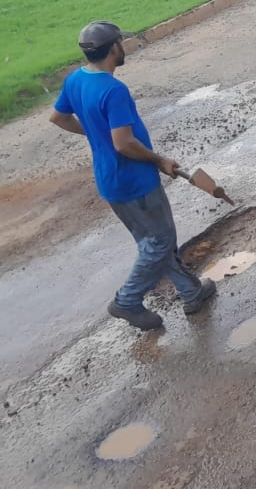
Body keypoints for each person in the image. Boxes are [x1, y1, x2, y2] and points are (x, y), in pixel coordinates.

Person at [49, 21, 217, 331]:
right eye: (120, 43)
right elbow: (124, 144)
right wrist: (160, 160)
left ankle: (191, 292)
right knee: (159, 241)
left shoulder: (76, 79)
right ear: (113, 48)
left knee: (153, 240)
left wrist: (95, 132)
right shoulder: (113, 90)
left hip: (110, 181)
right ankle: (127, 300)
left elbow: (58, 117)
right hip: (134, 181)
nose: (123, 47)